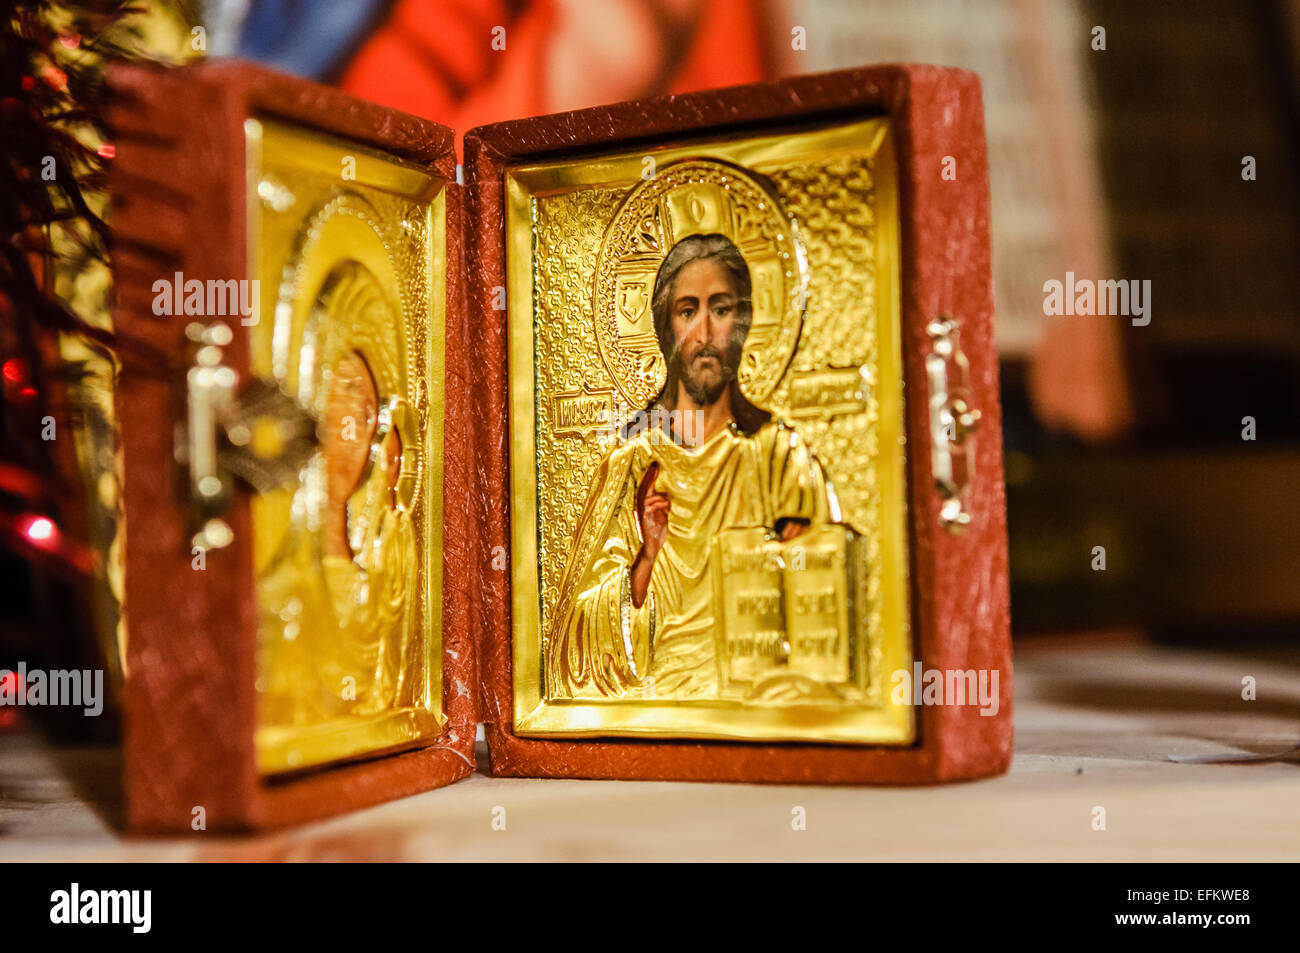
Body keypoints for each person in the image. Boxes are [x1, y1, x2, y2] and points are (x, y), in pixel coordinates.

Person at [546, 233, 834, 700]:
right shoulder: (632, 463)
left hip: (761, 697)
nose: (704, 334)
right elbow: (575, 638)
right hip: (655, 696)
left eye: (720, 309)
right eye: (687, 311)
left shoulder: (780, 457)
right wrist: (646, 555)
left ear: (742, 323)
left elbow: (828, 605)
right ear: (666, 329)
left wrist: (795, 560)